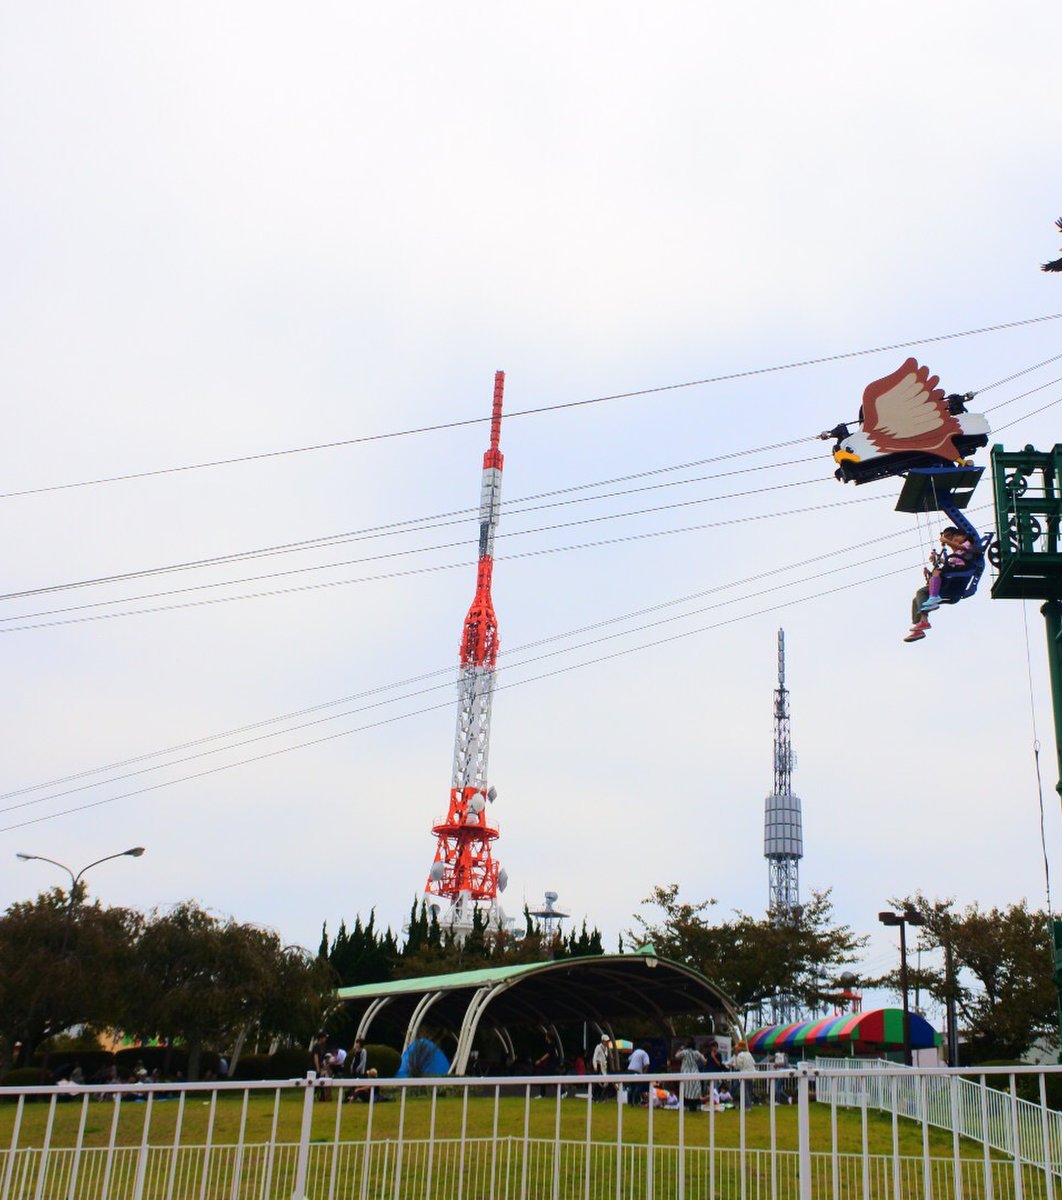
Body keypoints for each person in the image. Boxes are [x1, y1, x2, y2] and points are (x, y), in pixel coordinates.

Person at [905, 527, 982, 642]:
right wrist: (937, 559)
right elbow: (951, 558)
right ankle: (920, 625)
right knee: (916, 598)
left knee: (922, 591)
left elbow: (958, 550)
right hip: (951, 578)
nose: (954, 541)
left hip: (953, 582)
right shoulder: (958, 552)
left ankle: (931, 603)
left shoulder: (968, 545)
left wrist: (946, 541)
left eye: (956, 538)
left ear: (964, 536)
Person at [672, 1040, 706, 1112]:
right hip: (695, 1073)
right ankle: (696, 1106)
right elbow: (704, 1060)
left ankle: (686, 1106)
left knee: (686, 1090)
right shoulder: (696, 1052)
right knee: (696, 1090)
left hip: (685, 1073)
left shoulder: (684, 1052)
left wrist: (681, 1048)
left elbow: (676, 1056)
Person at [729, 1040, 758, 1108]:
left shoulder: (740, 1055)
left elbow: (738, 1066)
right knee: (749, 1091)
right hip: (752, 1074)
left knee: (745, 1091)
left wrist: (733, 1064)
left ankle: (747, 1106)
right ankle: (748, 1105)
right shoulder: (749, 1054)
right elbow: (753, 1062)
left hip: (744, 1074)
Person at [591, 1035, 612, 1102]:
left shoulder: (606, 1048)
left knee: (603, 1083)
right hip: (599, 1066)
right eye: (606, 1041)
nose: (607, 1043)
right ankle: (595, 1096)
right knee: (599, 1083)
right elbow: (595, 1057)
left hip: (604, 1067)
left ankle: (599, 1096)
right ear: (602, 1041)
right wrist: (595, 1066)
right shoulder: (598, 1047)